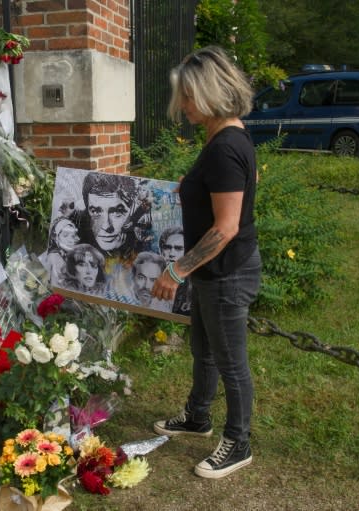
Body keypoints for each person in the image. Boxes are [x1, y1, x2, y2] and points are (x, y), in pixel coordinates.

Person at [150, 46, 261, 480]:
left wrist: (176, 271)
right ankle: (198, 415)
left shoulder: (225, 147)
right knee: (205, 351)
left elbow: (225, 228)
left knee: (231, 362)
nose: (183, 106)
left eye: (188, 97)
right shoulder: (226, 138)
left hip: (226, 271)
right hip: (216, 272)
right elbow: (222, 192)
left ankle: (238, 442)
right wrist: (190, 187)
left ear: (210, 94)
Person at [77, 172, 150, 259]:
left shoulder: (146, 250)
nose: (106, 226)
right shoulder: (78, 246)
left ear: (133, 209)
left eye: (117, 212)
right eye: (95, 212)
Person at [159, 226, 192, 314]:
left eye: (178, 248)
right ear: (161, 251)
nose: (171, 254)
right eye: (167, 247)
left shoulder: (194, 284)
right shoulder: (153, 277)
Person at [39, 217, 80, 286]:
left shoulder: (70, 255)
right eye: (65, 235)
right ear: (56, 238)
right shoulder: (55, 257)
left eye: (73, 235)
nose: (71, 240)